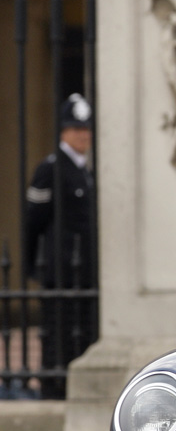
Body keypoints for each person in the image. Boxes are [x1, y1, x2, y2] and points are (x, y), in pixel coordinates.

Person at [22, 93, 97, 399]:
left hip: (83, 273)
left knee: (80, 334)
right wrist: (31, 265)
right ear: (63, 132)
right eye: (76, 128)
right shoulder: (51, 168)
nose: (83, 135)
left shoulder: (84, 170)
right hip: (60, 271)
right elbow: (33, 223)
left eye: (86, 129)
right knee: (58, 336)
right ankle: (54, 389)